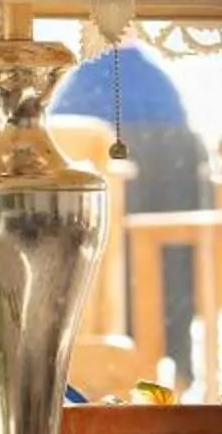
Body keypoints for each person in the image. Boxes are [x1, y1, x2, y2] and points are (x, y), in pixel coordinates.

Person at [53, 46, 208, 374]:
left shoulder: (81, 86)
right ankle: (176, 368)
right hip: (161, 196)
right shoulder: (155, 86)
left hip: (92, 258)